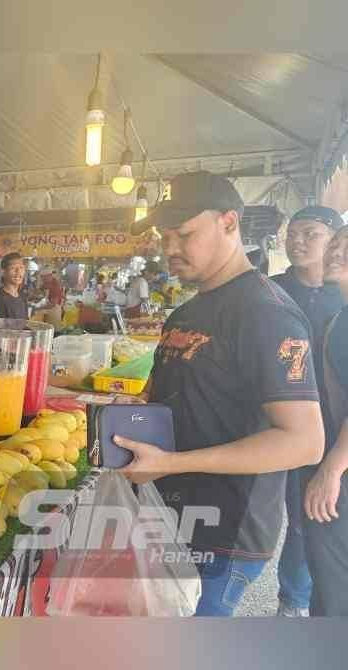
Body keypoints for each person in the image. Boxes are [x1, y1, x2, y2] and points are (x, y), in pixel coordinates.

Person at [116, 171, 325, 617]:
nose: (169, 248)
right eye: (164, 235)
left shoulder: (264, 313)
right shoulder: (187, 312)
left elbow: (304, 441)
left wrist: (173, 464)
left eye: (184, 234)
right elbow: (173, 399)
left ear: (229, 222)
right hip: (170, 518)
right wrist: (135, 413)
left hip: (224, 536)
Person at [269, 206, 344, 617]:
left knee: (311, 515)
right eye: (292, 233)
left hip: (330, 425)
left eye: (309, 233)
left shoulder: (343, 293)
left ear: (333, 239)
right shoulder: (270, 290)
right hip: (273, 418)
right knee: (273, 507)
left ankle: (295, 601)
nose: (297, 241)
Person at [302, 225, 348, 616]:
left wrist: (331, 469)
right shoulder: (341, 314)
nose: (338, 252)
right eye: (336, 244)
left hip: (340, 475)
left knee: (334, 586)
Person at [0, 252, 29, 320]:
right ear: (3, 272)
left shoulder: (22, 296)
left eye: (21, 267)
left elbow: (25, 323)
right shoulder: (0, 299)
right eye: (13, 268)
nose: (18, 271)